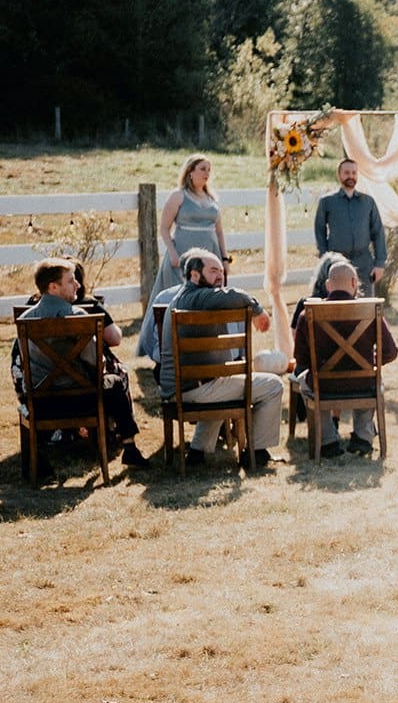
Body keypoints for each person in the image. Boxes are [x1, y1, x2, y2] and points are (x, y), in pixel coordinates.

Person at [15, 257, 152, 473]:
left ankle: (37, 455)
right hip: (82, 400)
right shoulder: (78, 316)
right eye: (71, 281)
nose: (78, 284)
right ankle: (129, 447)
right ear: (53, 287)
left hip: (43, 404)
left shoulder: (25, 319)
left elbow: (23, 362)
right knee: (115, 382)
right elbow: (94, 361)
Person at [157, 248, 285, 471]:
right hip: (192, 389)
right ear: (195, 276)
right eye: (213, 271)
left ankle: (197, 453)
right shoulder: (196, 298)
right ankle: (257, 451)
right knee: (274, 386)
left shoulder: (188, 300)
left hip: (186, 387)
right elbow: (234, 295)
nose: (220, 276)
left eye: (221, 271)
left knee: (219, 382)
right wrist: (257, 310)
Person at [291, 261, 398, 458]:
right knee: (376, 381)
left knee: (304, 383)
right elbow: (391, 351)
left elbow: (300, 358)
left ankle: (328, 440)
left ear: (328, 285)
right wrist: (368, 363)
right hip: (362, 383)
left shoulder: (308, 314)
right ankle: (363, 437)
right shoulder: (371, 309)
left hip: (323, 385)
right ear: (354, 282)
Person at [140, 153, 226, 356]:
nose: (207, 174)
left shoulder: (212, 198)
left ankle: (206, 345)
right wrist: (173, 253)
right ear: (190, 172)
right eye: (202, 169)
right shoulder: (178, 196)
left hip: (210, 251)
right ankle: (167, 348)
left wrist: (224, 257)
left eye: (209, 170)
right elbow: (164, 228)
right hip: (183, 256)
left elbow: (220, 230)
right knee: (176, 300)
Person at [313, 159, 385, 297]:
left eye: (354, 172)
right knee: (338, 307)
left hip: (364, 264)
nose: (350, 176)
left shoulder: (368, 202)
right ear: (339, 175)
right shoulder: (327, 202)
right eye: (346, 172)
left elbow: (378, 232)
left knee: (366, 309)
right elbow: (319, 230)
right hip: (337, 264)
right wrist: (325, 257)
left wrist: (380, 264)